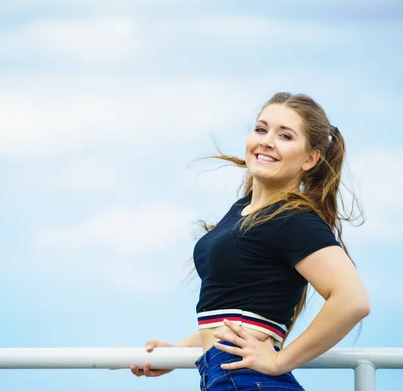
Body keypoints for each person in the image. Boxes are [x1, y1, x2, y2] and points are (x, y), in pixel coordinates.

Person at [130, 92, 370, 390]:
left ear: (310, 159)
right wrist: (177, 351)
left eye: (285, 135)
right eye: (261, 129)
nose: (267, 140)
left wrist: (278, 362)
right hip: (226, 375)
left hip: (246, 380)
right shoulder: (242, 213)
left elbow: (353, 300)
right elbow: (231, 314)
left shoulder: (292, 219)